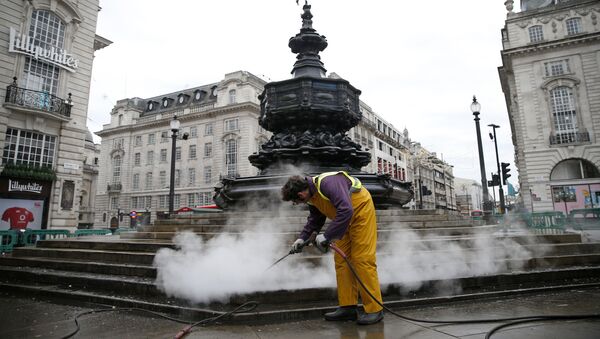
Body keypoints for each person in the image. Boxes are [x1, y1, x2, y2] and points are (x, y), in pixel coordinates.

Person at [281, 172, 384, 325]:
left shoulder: (328, 183)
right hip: (343, 220)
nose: (297, 204)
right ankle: (348, 307)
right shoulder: (312, 197)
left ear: (301, 194)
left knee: (362, 259)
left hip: (361, 214)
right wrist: (302, 238)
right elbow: (315, 220)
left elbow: (346, 209)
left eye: (296, 201)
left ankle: (375, 309)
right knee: (341, 261)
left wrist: (327, 235)